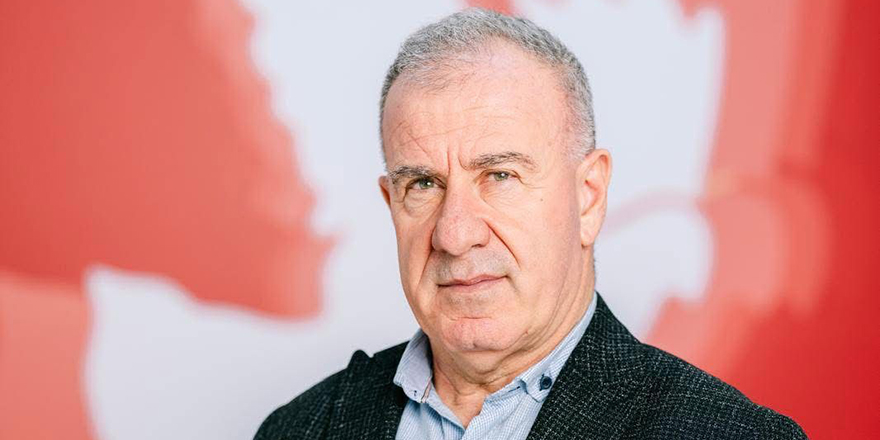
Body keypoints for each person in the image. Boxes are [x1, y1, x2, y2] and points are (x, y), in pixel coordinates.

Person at [255, 8, 806, 440]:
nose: (454, 234)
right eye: (422, 184)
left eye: (500, 175)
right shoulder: (299, 429)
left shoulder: (725, 433)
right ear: (390, 202)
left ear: (588, 197)